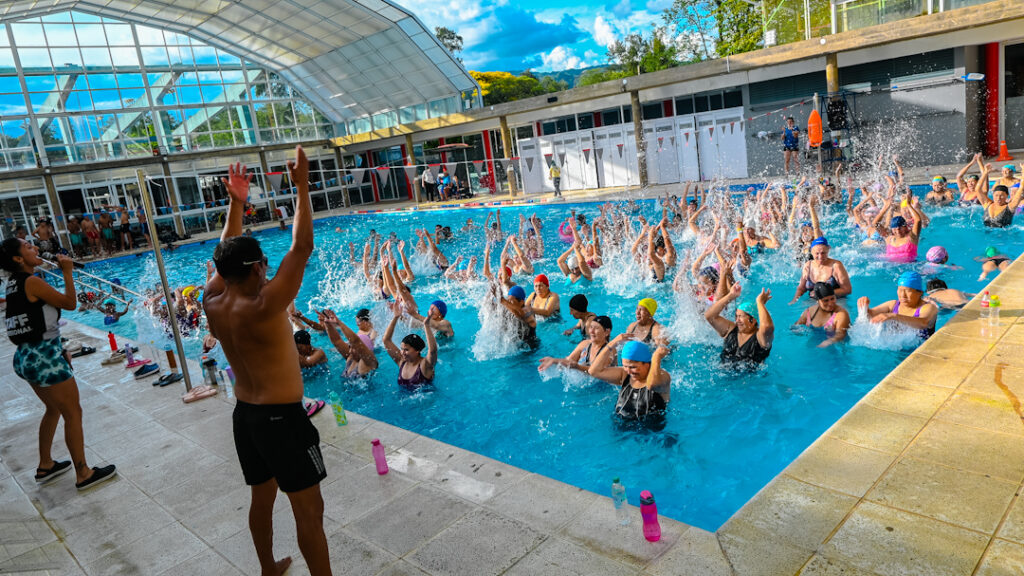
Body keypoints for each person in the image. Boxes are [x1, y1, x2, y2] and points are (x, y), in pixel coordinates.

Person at [202, 147, 332, 576]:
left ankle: (267, 568)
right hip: (283, 422)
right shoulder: (264, 304)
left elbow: (224, 254)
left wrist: (236, 204)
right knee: (309, 512)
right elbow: (302, 245)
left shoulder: (213, 299)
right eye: (263, 263)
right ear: (258, 269)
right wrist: (301, 186)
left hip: (246, 417)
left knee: (262, 497)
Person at [2, 238, 117, 490]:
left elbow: (33, 320)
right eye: (28, 247)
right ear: (18, 259)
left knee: (53, 409)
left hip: (27, 356)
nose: (36, 248)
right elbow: (69, 303)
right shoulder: (31, 282)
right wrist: (67, 272)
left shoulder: (13, 283)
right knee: (73, 412)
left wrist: (59, 348)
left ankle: (46, 465)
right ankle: (83, 473)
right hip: (44, 358)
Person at [588, 337, 671, 428]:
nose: (628, 371)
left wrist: (656, 357)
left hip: (651, 432)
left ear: (647, 364)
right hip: (621, 428)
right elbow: (593, 371)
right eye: (625, 366)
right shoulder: (624, 374)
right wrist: (612, 344)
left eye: (633, 367)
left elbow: (652, 385)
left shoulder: (662, 376)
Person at [705, 284, 774, 365]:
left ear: (753, 320)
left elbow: (767, 327)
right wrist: (730, 296)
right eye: (736, 316)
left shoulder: (761, 339)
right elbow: (710, 316)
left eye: (741, 316)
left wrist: (760, 303)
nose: (737, 320)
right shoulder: (731, 330)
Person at [858, 271, 937, 340]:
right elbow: (870, 316)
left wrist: (893, 316)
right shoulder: (892, 305)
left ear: (919, 292)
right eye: (900, 290)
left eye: (908, 291)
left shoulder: (929, 307)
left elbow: (923, 323)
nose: (902, 295)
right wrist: (864, 306)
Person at [382, 306, 437, 390]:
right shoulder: (401, 362)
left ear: (417, 350)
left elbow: (433, 351)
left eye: (406, 350)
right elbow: (386, 340)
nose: (402, 352)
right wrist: (395, 317)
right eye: (402, 349)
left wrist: (426, 325)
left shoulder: (425, 365)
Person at [539, 315, 612, 373]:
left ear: (607, 332)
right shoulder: (585, 344)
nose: (591, 331)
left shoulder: (610, 351)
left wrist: (577, 367)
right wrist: (554, 360)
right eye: (591, 327)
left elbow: (596, 372)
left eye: (596, 328)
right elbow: (569, 360)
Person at [790, 237, 852, 303]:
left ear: (828, 250)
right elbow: (801, 288)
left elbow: (847, 289)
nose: (820, 257)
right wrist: (794, 300)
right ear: (812, 252)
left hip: (835, 301)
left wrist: (823, 293)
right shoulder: (808, 265)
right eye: (817, 253)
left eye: (823, 253)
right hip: (813, 301)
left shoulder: (836, 266)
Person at [319, 310, 377, 378]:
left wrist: (339, 323)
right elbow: (337, 341)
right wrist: (327, 323)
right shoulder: (351, 357)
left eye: (353, 348)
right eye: (350, 347)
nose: (349, 351)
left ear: (362, 349)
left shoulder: (369, 362)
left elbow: (356, 341)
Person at [792, 282, 850, 347]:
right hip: (813, 344)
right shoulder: (809, 312)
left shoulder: (841, 314)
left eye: (832, 298)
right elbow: (796, 326)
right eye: (826, 300)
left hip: (835, 347)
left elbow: (841, 334)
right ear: (818, 301)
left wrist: (828, 342)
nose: (830, 303)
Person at [498, 284, 539, 348]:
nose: (508, 303)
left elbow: (520, 314)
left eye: (511, 301)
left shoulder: (529, 312)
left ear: (521, 302)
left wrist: (502, 300)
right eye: (508, 300)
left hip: (531, 349)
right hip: (516, 347)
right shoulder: (510, 311)